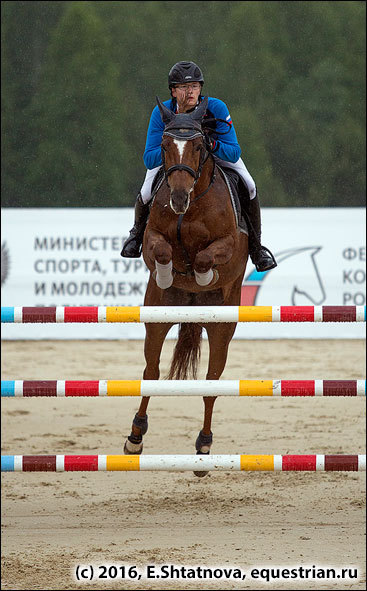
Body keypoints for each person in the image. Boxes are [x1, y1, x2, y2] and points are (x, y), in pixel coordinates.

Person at [121, 61, 277, 272]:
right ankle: (136, 237)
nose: (190, 92)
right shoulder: (161, 112)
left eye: (194, 86)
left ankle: (257, 249)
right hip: (174, 160)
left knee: (249, 185)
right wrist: (174, 150)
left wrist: (209, 144)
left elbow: (233, 152)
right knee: (146, 192)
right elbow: (149, 159)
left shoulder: (216, 108)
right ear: (174, 91)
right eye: (184, 87)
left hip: (212, 155)